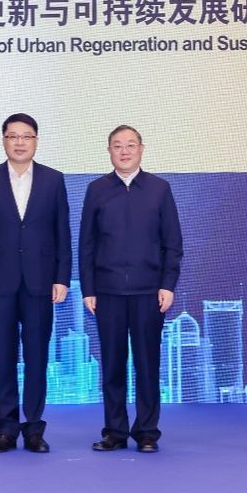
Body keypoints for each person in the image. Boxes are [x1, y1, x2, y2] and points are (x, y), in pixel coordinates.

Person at [0, 113, 71, 454]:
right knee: (5, 357)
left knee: (38, 358)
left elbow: (62, 233)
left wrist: (62, 277)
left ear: (36, 141)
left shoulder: (53, 180)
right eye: (13, 136)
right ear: (4, 141)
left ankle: (34, 429)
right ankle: (6, 428)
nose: (20, 142)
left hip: (41, 281)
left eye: (26, 136)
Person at [79, 125, 182, 453]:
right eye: (117, 146)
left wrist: (167, 285)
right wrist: (88, 289)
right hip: (107, 292)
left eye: (130, 145)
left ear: (141, 149)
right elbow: (87, 244)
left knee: (147, 366)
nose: (124, 151)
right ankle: (115, 432)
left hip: (148, 292)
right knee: (112, 366)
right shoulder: (96, 190)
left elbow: (173, 243)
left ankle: (147, 432)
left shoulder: (159, 189)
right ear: (109, 151)